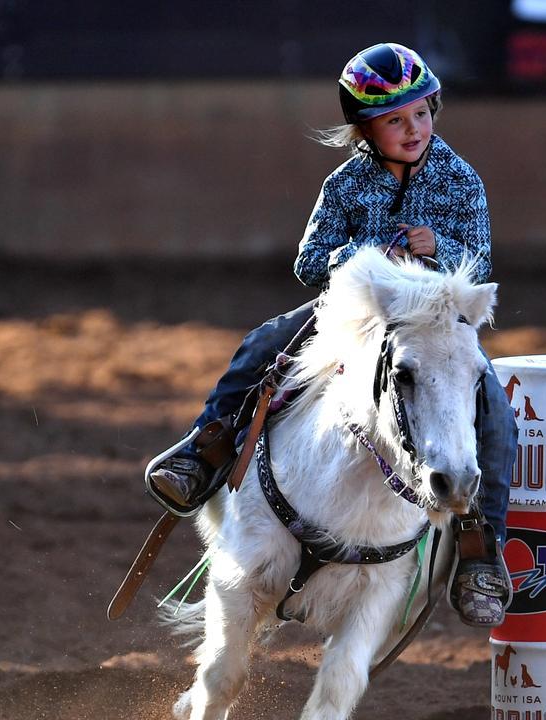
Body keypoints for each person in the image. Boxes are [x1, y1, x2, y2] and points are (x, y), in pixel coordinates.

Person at [146, 42, 515, 628]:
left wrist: (438, 250)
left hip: (436, 327)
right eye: (394, 120)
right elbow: (310, 260)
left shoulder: (461, 180)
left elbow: (480, 260)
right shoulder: (344, 184)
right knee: (265, 343)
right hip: (350, 316)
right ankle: (206, 448)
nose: (412, 128)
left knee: (492, 409)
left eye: (421, 112)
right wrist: (368, 256)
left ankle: (480, 547)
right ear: (364, 128)